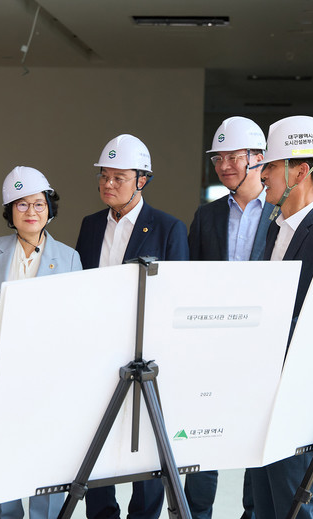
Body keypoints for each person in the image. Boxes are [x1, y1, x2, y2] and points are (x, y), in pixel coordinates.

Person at [75, 134, 189, 519]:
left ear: (142, 180)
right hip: (98, 350)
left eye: (118, 178)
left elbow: (175, 297)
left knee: (146, 444)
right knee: (97, 440)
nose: (108, 184)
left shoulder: (168, 228)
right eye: (104, 176)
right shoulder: (91, 225)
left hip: (147, 352)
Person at [250, 115, 313, 519]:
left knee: (295, 506)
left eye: (271, 166)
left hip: (298, 399)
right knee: (264, 505)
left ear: (300, 171)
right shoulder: (275, 228)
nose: (263, 175)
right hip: (266, 390)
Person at [0, 166, 81, 519]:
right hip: (2, 373)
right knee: (3, 459)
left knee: (47, 460)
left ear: (49, 207)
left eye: (38, 203)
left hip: (49, 376)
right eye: (21, 205)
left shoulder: (69, 258)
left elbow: (77, 324)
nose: (31, 212)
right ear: (10, 211)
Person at [186, 116, 274, 519]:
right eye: (218, 158)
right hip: (212, 347)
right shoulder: (206, 216)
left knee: (257, 437)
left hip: (262, 345)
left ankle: (253, 513)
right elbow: (191, 278)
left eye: (233, 157)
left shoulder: (279, 214)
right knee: (202, 436)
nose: (224, 166)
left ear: (258, 158)